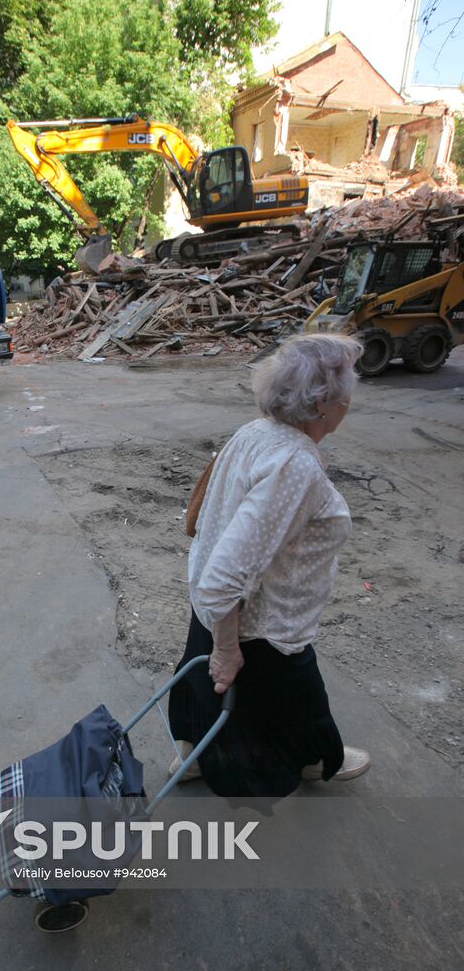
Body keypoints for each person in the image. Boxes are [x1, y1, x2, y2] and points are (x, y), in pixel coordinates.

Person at [167, 332, 371, 798]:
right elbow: (225, 581)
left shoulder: (256, 431)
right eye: (348, 394)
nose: (350, 404)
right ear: (323, 402)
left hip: (215, 605)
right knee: (296, 698)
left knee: (205, 682)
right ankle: (315, 759)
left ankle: (193, 752)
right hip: (264, 622)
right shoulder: (293, 464)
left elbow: (205, 521)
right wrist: (226, 649)